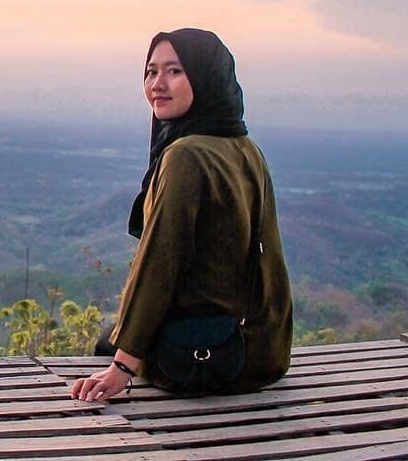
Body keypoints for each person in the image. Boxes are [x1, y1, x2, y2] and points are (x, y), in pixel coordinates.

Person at [71, 28, 292, 401]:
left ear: (205, 77)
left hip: (211, 358)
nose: (158, 84)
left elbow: (160, 262)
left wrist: (122, 367)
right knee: (111, 337)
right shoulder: (246, 147)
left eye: (175, 71)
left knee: (108, 345)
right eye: (151, 72)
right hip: (264, 351)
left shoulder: (185, 155)